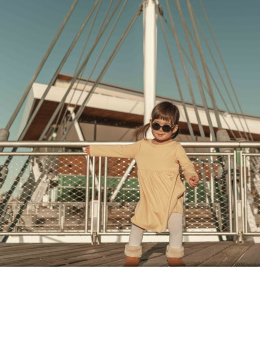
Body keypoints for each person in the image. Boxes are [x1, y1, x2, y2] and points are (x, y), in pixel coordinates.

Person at [84, 101, 199, 267]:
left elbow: (187, 166)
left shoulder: (176, 148)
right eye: (157, 125)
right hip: (149, 196)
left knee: (175, 226)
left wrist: (191, 176)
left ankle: (175, 254)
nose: (160, 130)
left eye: (166, 127)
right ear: (151, 124)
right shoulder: (142, 146)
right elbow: (120, 150)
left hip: (171, 196)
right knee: (138, 224)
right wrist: (95, 150)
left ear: (174, 129)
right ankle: (132, 254)